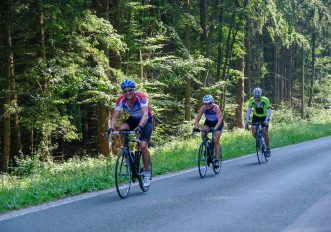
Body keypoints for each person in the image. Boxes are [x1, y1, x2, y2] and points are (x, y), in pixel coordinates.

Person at [109, 80, 153, 187]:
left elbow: (145, 115)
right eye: (125, 91)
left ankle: (147, 173)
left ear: (134, 90)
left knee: (143, 146)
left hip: (145, 120)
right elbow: (115, 116)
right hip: (133, 119)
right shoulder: (121, 100)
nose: (128, 93)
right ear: (123, 92)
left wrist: (139, 127)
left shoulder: (141, 97)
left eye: (130, 90)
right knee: (122, 129)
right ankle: (127, 153)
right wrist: (111, 128)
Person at [193, 95, 224, 169]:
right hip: (209, 122)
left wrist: (215, 128)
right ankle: (206, 150)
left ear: (212, 102)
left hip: (218, 123)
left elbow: (220, 120)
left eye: (209, 103)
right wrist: (196, 127)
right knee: (203, 133)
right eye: (205, 103)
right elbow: (197, 119)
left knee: (216, 140)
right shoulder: (203, 108)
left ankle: (216, 160)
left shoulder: (216, 107)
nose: (207, 105)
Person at [245, 87, 272, 156]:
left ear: (261, 96)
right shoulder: (251, 100)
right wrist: (247, 121)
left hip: (264, 117)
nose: (257, 98)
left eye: (258, 97)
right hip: (256, 117)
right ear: (253, 96)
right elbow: (248, 111)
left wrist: (266, 120)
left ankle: (268, 148)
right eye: (255, 97)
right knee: (253, 133)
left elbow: (269, 111)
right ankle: (260, 141)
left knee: (265, 132)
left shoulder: (265, 100)